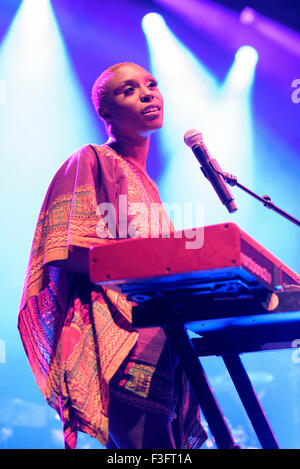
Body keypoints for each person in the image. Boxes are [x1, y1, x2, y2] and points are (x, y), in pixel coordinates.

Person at [18, 62, 207, 449]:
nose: (147, 92)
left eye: (152, 84)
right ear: (105, 112)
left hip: (164, 338)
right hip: (122, 339)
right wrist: (152, 267)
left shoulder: (148, 183)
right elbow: (64, 248)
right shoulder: (91, 159)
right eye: (129, 89)